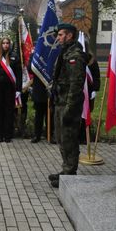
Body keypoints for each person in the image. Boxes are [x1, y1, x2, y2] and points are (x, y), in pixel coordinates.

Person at [48, 23, 86, 188]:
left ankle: (70, 173)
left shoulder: (75, 55)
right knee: (62, 138)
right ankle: (66, 169)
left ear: (70, 35)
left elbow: (76, 84)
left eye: (61, 35)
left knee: (69, 139)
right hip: (60, 101)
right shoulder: (65, 52)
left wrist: (70, 108)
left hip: (69, 104)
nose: (58, 38)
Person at [0, 37, 22, 143]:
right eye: (4, 43)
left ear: (10, 44)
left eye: (7, 43)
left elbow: (19, 74)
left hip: (10, 88)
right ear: (0, 44)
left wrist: (18, 89)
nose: (6, 45)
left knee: (9, 111)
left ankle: (8, 135)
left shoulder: (15, 56)